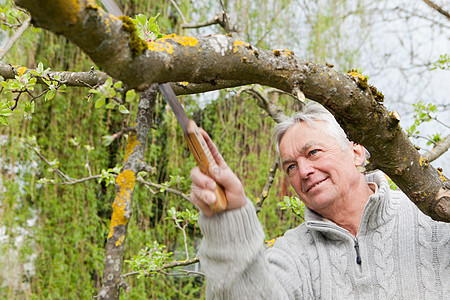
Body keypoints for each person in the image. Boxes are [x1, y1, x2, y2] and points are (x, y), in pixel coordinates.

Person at [189, 102, 449, 299]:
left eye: (313, 152)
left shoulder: (433, 217)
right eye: (290, 166)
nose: (303, 171)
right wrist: (229, 220)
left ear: (356, 153)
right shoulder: (291, 253)